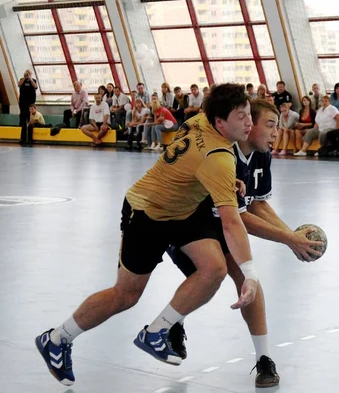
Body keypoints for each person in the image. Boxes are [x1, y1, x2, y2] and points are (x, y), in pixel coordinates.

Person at [35, 84, 259, 387]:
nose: (249, 123)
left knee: (214, 269)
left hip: (182, 211)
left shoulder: (200, 121)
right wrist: (249, 274)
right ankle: (57, 338)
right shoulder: (218, 156)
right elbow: (232, 224)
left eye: (249, 115)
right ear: (220, 122)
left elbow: (191, 159)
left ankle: (157, 331)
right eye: (241, 116)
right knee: (125, 295)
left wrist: (225, 182)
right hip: (146, 212)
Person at [166, 99, 322, 388]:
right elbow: (240, 219)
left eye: (279, 125)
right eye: (270, 125)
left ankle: (264, 359)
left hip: (220, 224)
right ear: (247, 126)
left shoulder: (262, 154)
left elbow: (257, 205)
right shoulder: (222, 155)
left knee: (246, 279)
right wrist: (290, 239)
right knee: (213, 274)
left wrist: (292, 238)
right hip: (182, 223)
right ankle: (170, 323)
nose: (277, 132)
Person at [18, 69, 38, 144]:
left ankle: (30, 139)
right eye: (26, 74)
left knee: (30, 121)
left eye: (28, 74)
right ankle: (22, 138)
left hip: (30, 103)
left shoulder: (33, 80)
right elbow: (19, 84)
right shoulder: (22, 80)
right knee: (23, 121)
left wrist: (30, 79)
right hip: (23, 103)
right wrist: (24, 78)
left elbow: (35, 87)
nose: (27, 75)